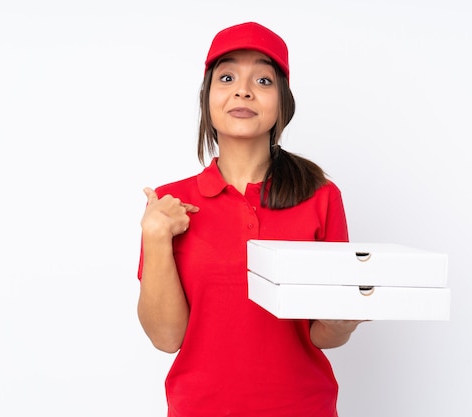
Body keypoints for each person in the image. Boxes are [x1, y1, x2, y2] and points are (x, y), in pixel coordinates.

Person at [137, 21, 366, 417]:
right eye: (227, 77)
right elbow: (166, 337)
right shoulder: (171, 204)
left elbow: (321, 333)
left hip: (303, 407)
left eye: (263, 80)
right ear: (208, 97)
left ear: (282, 103)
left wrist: (343, 323)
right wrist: (155, 236)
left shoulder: (321, 196)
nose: (243, 90)